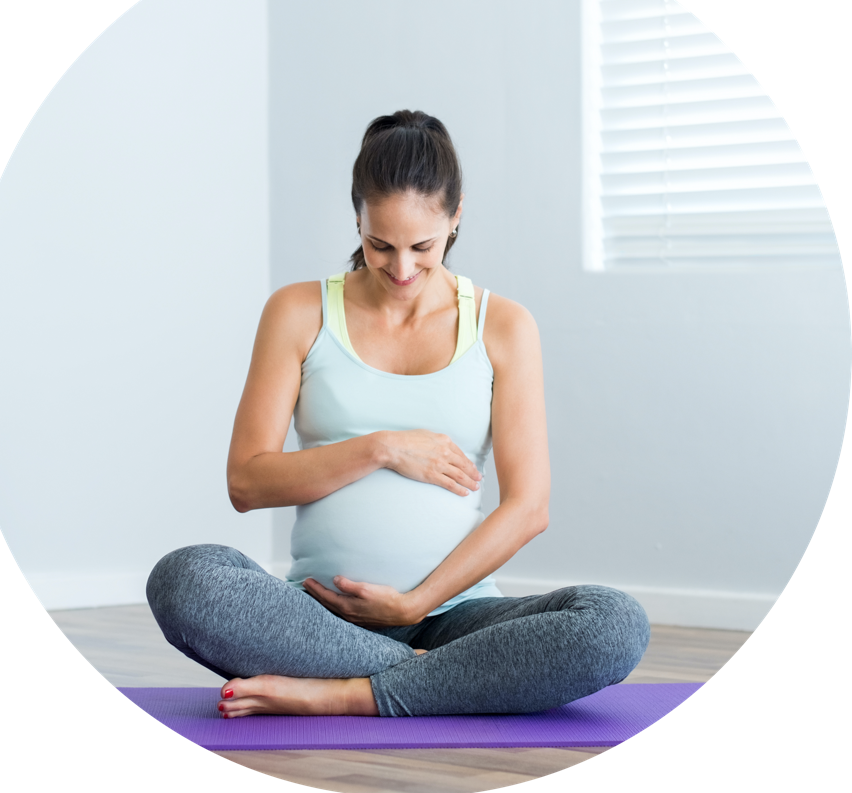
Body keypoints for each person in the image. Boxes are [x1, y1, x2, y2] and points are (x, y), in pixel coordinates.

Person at [146, 110, 649, 718]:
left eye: (423, 247)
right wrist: (381, 448)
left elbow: (529, 507)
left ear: (456, 216)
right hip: (317, 616)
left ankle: (347, 692)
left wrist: (415, 604)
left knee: (613, 623)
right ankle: (433, 679)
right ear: (357, 218)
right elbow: (246, 483)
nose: (402, 269)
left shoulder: (504, 325)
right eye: (380, 245)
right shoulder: (298, 312)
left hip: (457, 616)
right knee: (184, 578)